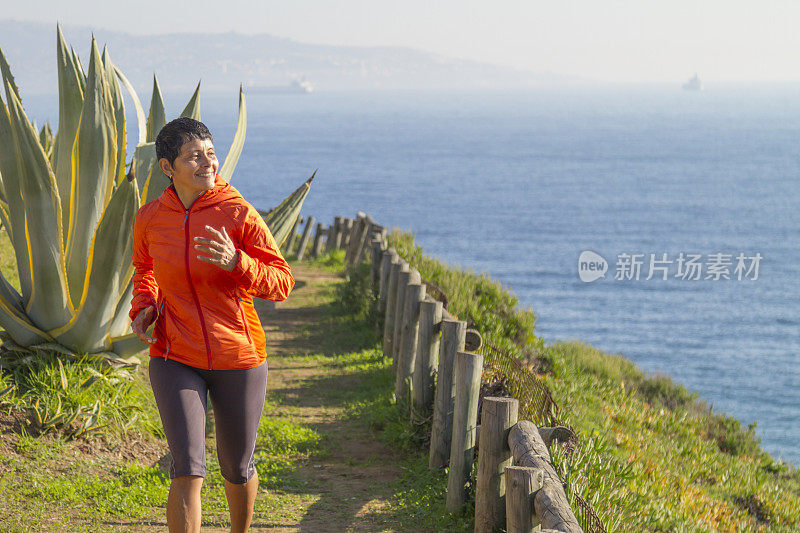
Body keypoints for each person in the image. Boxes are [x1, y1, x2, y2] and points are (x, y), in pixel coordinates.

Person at [129, 117, 294, 533]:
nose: (208, 163)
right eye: (194, 157)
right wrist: (144, 306)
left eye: (211, 153)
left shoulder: (237, 212)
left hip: (238, 355)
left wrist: (236, 263)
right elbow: (144, 267)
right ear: (167, 168)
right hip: (173, 353)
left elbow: (282, 282)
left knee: (236, 468)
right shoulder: (150, 217)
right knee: (186, 467)